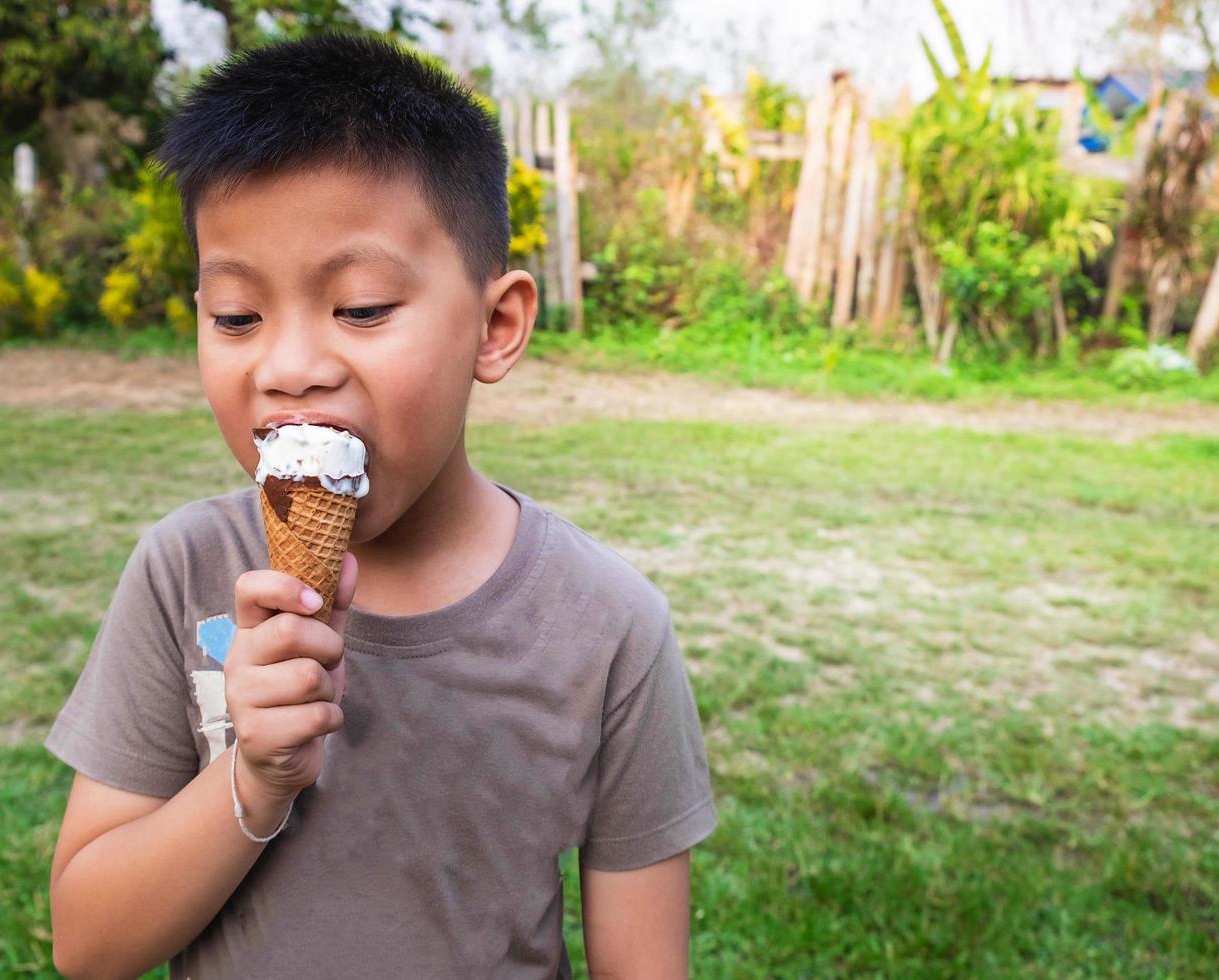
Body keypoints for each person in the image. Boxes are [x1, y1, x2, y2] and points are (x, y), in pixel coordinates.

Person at [44, 31, 716, 979]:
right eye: (236, 316)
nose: (288, 368)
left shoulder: (608, 629)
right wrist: (251, 779)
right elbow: (88, 944)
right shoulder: (182, 574)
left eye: (359, 307)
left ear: (496, 325)